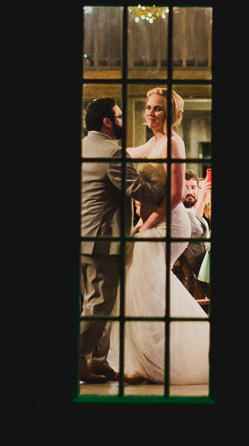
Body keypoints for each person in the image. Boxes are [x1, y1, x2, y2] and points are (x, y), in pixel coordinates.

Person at [109, 87, 211, 386]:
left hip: (170, 223)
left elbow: (177, 194)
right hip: (151, 222)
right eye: (148, 107)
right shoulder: (154, 142)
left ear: (172, 114)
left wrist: (146, 222)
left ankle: (167, 359)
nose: (150, 113)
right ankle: (149, 358)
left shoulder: (174, 144)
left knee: (148, 283)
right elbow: (125, 154)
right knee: (146, 285)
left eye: (157, 109)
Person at [79, 96, 161, 384]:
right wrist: (162, 179)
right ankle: (78, 361)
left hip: (86, 238)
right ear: (107, 121)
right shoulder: (112, 153)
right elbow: (140, 190)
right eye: (120, 116)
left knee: (98, 303)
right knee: (98, 306)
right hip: (103, 241)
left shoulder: (84, 146)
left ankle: (98, 363)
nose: (123, 121)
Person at [174, 172, 211, 300]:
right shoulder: (175, 215)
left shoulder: (197, 217)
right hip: (186, 280)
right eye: (185, 187)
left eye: (193, 187)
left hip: (202, 277)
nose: (190, 191)